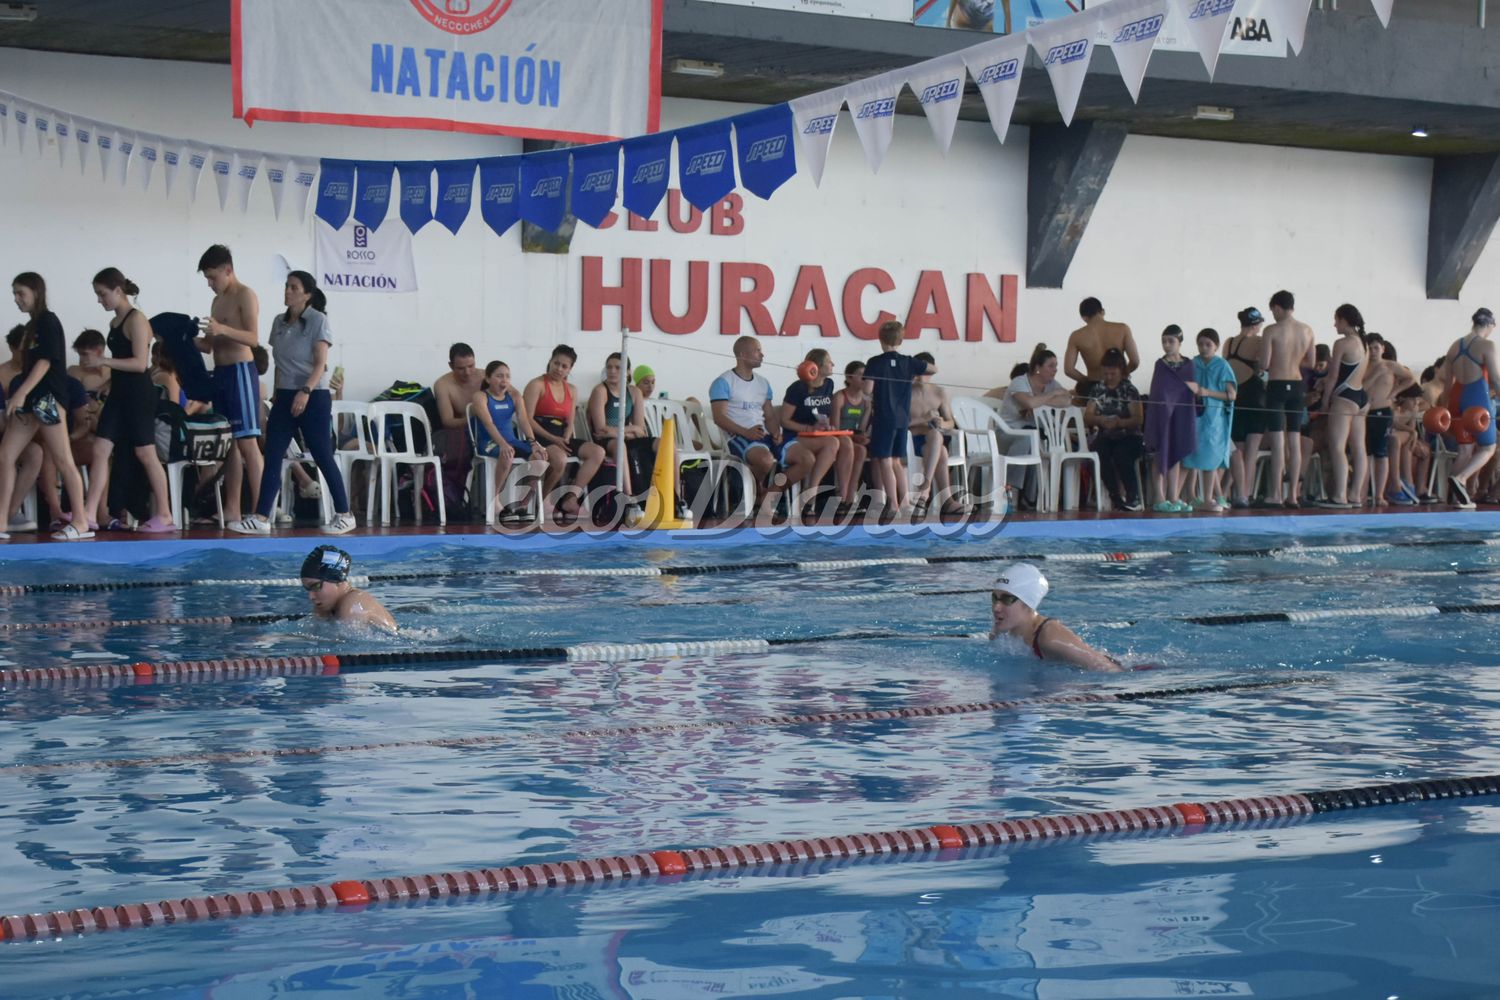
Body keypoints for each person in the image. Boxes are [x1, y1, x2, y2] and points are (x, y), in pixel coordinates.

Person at [229, 271, 355, 535]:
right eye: (286, 286)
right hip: (285, 395)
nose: (287, 291)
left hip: (313, 394)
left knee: (321, 452)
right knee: (273, 452)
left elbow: (320, 363)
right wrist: (277, 394)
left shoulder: (318, 320)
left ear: (307, 294)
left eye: (294, 287)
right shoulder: (279, 322)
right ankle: (262, 516)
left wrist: (306, 391)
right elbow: (279, 363)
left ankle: (344, 513)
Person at [80, 269, 174, 533]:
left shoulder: (137, 321)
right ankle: (88, 513)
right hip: (120, 393)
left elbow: (140, 363)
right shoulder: (114, 323)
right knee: (100, 450)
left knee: (145, 452)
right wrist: (105, 385)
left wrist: (103, 361)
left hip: (138, 395)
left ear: (118, 291)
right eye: (98, 295)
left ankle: (165, 514)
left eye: (103, 294)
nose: (100, 300)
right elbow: (124, 365)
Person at [0, 273, 92, 540]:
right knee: (6, 455)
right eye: (14, 293)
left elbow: (46, 362)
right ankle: (3, 521)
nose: (16, 299)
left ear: (36, 293)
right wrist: (23, 397)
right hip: (30, 403)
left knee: (63, 458)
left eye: (21, 293)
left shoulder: (48, 322)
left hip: (46, 400)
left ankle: (81, 521)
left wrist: (21, 393)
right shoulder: (31, 328)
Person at [194, 245, 263, 525]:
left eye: (213, 278)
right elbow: (209, 346)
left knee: (248, 443)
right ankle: (233, 509)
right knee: (230, 445)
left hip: (241, 373)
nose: (210, 284)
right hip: (221, 373)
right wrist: (181, 339)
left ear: (228, 270)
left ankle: (262, 511)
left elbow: (253, 338)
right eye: (207, 280)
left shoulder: (245, 295)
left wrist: (222, 329)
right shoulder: (217, 302)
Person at [709, 336, 802, 521]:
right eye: (757, 350)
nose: (762, 354)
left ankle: (767, 495)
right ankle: (754, 492)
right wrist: (746, 432)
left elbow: (769, 416)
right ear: (743, 355)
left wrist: (776, 432)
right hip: (739, 436)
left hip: (763, 435)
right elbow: (719, 418)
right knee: (765, 461)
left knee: (805, 459)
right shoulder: (723, 382)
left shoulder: (763, 383)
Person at [523, 344, 606, 523]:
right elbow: (527, 419)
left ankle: (571, 499)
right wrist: (553, 439)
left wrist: (567, 436)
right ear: (550, 362)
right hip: (541, 435)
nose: (559, 369)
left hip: (561, 436)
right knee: (560, 459)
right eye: (556, 364)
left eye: (564, 366)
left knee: (597, 452)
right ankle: (543, 501)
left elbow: (570, 419)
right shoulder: (536, 385)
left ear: (570, 369)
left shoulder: (572, 390)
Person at [988, 563, 1123, 671]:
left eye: (1007, 599)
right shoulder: (1000, 632)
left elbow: (1110, 670)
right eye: (995, 598)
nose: (996, 607)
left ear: (1028, 602)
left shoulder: (1049, 637)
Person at [866, 320, 934, 518]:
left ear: (880, 339)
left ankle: (893, 504)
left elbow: (867, 389)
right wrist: (916, 374)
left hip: (884, 418)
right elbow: (933, 368)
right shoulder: (908, 362)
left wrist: (867, 394)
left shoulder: (875, 362)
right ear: (901, 340)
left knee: (885, 461)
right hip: (902, 419)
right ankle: (905, 502)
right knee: (897, 462)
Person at [1257, 291, 1316, 508]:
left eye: (1273, 310)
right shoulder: (1307, 330)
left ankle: (1275, 495)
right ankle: (1292, 495)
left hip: (1277, 385)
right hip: (1297, 386)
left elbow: (1264, 363)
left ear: (1279, 307)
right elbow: (1311, 362)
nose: (1272, 314)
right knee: (1294, 440)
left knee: (1278, 441)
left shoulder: (1271, 330)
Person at [470, 360, 547, 523]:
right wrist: (503, 444)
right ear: (488, 378)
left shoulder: (514, 396)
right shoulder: (481, 397)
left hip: (510, 440)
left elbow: (523, 420)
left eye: (507, 376)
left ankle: (523, 503)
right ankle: (495, 500)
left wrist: (533, 443)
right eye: (499, 376)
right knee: (507, 454)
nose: (504, 380)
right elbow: (488, 423)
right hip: (488, 442)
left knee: (540, 458)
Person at [781, 348, 853, 519]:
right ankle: (810, 495)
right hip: (796, 436)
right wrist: (808, 429)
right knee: (832, 443)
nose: (833, 364)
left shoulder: (829, 385)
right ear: (817, 367)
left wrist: (825, 425)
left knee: (847, 443)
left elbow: (822, 412)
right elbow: (784, 420)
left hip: (818, 435)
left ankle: (843, 498)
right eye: (829, 361)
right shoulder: (797, 389)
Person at [1000, 344, 1072, 509]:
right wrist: (1052, 396)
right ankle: (1012, 490)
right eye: (1051, 366)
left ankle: (1029, 496)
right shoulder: (1019, 382)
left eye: (1056, 366)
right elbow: (1029, 402)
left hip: (1032, 435)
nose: (1055, 370)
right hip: (1006, 435)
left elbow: (1067, 400)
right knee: (1028, 440)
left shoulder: (1052, 384)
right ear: (1038, 368)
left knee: (1034, 443)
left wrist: (1042, 400)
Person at [1314, 304, 1371, 509]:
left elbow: (1333, 376)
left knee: (1337, 446)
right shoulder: (1363, 343)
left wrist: (1325, 401)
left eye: (1336, 320)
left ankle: (1339, 495)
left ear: (1345, 320)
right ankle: (1355, 494)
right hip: (1361, 398)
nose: (1334, 324)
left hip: (1344, 398)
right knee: (1358, 448)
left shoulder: (1342, 343)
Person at [1442, 308, 1500, 508]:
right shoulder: (1487, 345)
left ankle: (1455, 497)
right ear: (1491, 325)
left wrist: (1443, 411)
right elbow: (1495, 379)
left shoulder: (1453, 347)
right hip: (1477, 398)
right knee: (1488, 447)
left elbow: (1447, 386)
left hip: (1457, 399)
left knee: (1465, 450)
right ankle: (1462, 479)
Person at [1083, 348, 1145, 512]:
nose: (1109, 378)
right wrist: (1100, 420)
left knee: (1121, 454)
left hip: (1129, 435)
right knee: (1099, 452)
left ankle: (1133, 496)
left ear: (1121, 372)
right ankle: (1115, 496)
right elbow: (1087, 416)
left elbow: (1138, 419)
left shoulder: (1129, 390)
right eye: (1106, 374)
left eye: (1113, 374)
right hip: (1106, 434)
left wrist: (1120, 423)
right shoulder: (1098, 389)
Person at [588, 351, 654, 499]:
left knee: (663, 444)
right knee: (620, 445)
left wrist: (619, 431)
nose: (612, 371)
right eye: (609, 367)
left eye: (618, 367)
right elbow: (601, 430)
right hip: (606, 441)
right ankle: (628, 495)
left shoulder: (634, 392)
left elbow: (641, 430)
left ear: (628, 371)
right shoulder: (600, 391)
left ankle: (675, 498)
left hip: (622, 437)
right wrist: (631, 430)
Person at [1183, 329, 1236, 511]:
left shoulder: (1222, 366)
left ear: (1216, 346)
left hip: (1214, 421)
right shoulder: (1192, 364)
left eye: (1208, 345)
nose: (1204, 348)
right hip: (1195, 418)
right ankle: (1191, 496)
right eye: (1201, 344)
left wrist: (1207, 393)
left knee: (1211, 459)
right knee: (1192, 456)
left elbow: (1231, 395)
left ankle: (1208, 497)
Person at [1145, 325, 1197, 512]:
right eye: (1164, 341)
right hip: (1163, 415)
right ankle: (1159, 497)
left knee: (1176, 453)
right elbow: (1158, 392)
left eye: (1171, 341)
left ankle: (1173, 496)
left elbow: (1191, 391)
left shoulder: (1189, 365)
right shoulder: (1161, 365)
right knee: (1161, 452)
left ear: (1180, 342)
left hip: (1181, 415)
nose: (1166, 345)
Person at [432, 342, 485, 514]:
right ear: (450, 366)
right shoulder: (443, 384)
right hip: (464, 434)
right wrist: (474, 416)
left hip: (489, 432)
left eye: (471, 366)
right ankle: (455, 501)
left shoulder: (487, 376)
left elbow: (513, 395)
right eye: (461, 368)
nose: (468, 372)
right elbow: (447, 421)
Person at [1224, 307, 1267, 508]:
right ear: (1256, 324)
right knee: (1250, 452)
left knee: (1236, 452)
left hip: (1235, 398)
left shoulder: (1229, 343)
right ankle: (1245, 495)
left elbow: (1226, 369)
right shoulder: (1258, 342)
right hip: (1255, 398)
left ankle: (1227, 493)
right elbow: (1266, 366)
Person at [299, 545, 395, 631]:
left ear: (337, 580)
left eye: (316, 586)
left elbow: (348, 646)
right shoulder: (324, 607)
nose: (311, 596)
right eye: (308, 589)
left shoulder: (353, 601)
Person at [1064, 298, 1139, 401]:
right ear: (1102, 311)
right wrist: (1121, 375)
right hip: (1119, 385)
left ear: (1084, 317)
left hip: (1093, 387)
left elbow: (1069, 370)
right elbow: (1135, 361)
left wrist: (1086, 380)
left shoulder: (1076, 336)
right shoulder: (1122, 329)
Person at [832, 360, 871, 500]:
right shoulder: (840, 397)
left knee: (861, 450)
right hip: (838, 437)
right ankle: (841, 493)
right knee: (847, 444)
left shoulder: (866, 402)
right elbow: (835, 429)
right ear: (849, 378)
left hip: (852, 438)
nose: (864, 378)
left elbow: (861, 429)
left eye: (866, 375)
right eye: (861, 375)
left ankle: (851, 493)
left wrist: (862, 437)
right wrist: (852, 436)